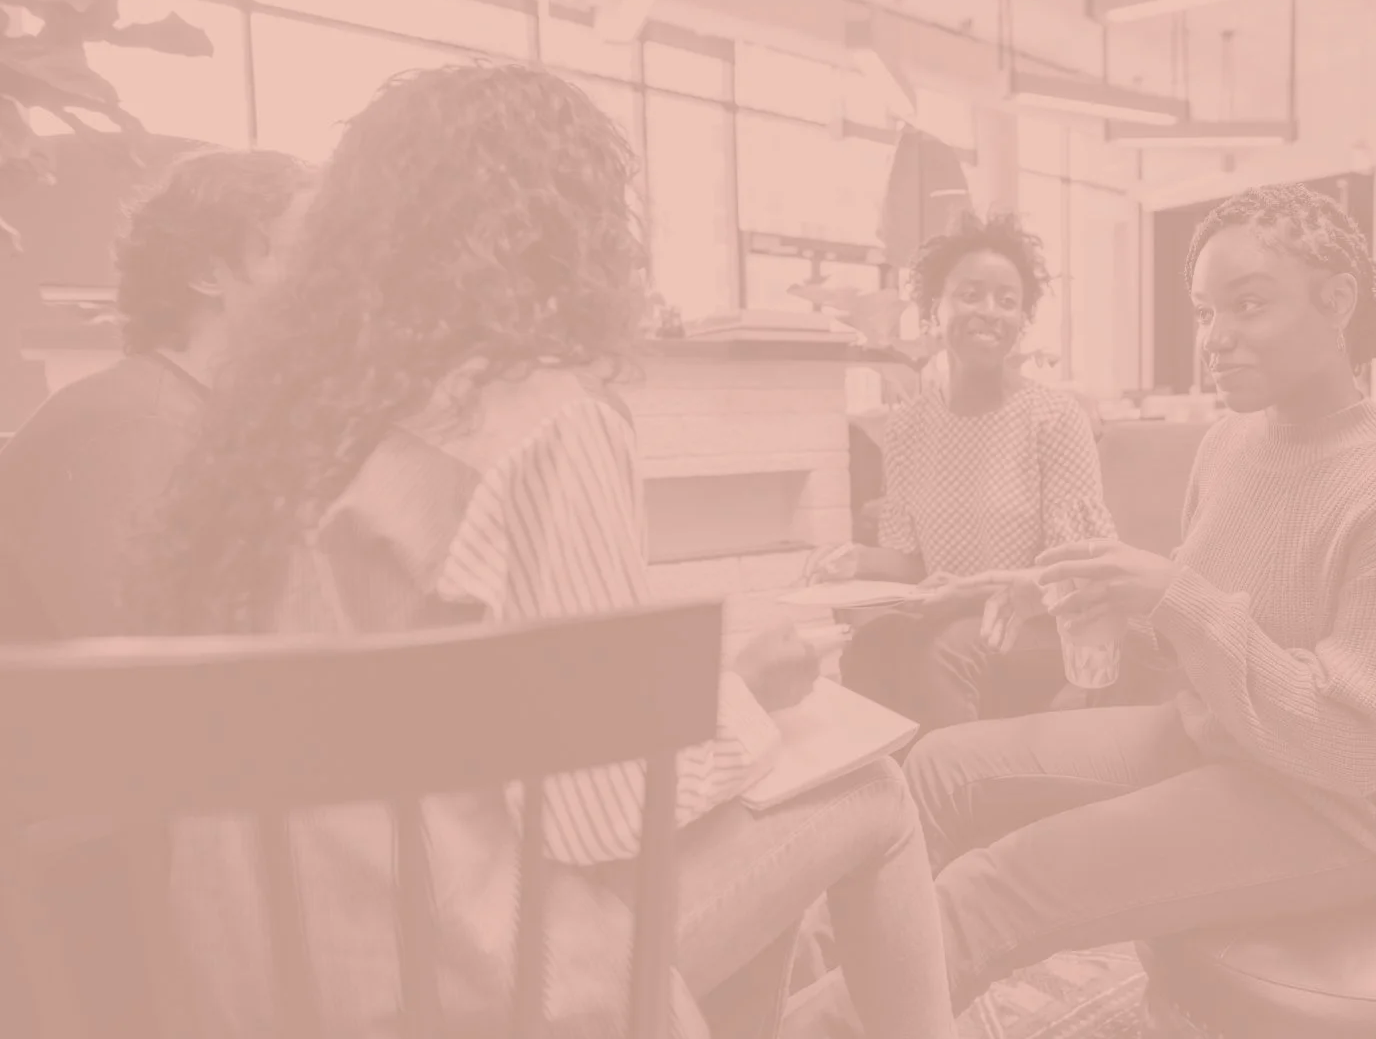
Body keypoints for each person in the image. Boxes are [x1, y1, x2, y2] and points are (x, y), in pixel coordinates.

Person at [138, 63, 954, 1039]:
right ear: (575, 235)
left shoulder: (278, 442)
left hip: (261, 991)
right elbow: (601, 817)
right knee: (867, 789)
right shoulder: (543, 415)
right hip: (469, 995)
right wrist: (749, 699)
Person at [901, 183, 1376, 1012]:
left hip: (1337, 813)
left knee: (991, 888)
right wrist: (1074, 594)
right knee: (935, 769)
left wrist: (1173, 597)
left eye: (1247, 306)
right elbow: (1187, 627)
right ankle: (781, 1000)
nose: (1217, 339)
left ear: (1337, 301)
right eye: (1206, 312)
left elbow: (1352, 750)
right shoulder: (1229, 443)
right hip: (1220, 740)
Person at [808, 210, 1115, 731]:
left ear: (1022, 320)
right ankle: (887, 797)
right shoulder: (906, 427)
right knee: (870, 645)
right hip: (949, 613)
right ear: (934, 310)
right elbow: (911, 562)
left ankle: (948, 803)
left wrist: (970, 593)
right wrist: (852, 559)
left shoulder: (1053, 417)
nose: (989, 311)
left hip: (1039, 618)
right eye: (970, 294)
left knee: (943, 653)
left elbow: (1082, 572)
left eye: (1007, 300)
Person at [0, 148, 310, 643]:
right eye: (305, 255)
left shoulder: (198, 416)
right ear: (207, 274)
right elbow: (150, 672)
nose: (335, 280)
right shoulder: (128, 429)